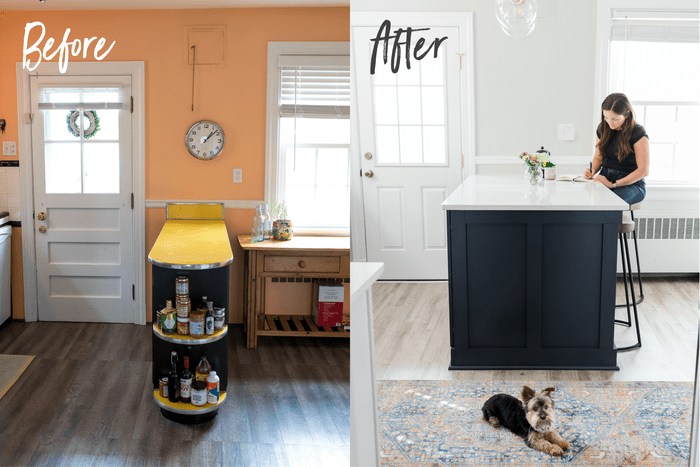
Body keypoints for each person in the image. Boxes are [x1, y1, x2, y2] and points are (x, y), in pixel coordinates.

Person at [584, 93, 649, 205]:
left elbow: (643, 171)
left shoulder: (638, 133)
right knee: (585, 200)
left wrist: (613, 184)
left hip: (632, 184)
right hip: (605, 178)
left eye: (615, 119)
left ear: (627, 114)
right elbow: (598, 157)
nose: (610, 122)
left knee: (610, 204)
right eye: (606, 117)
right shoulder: (602, 128)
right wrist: (593, 171)